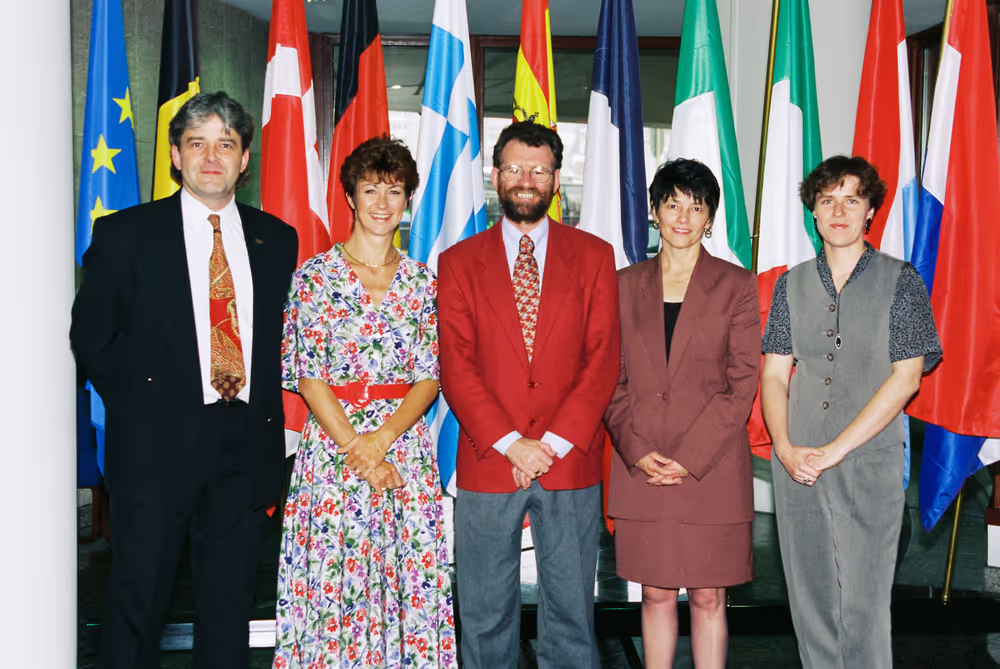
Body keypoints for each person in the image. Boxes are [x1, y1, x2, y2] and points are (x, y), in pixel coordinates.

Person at [70, 91, 298, 668]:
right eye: (197, 143)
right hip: (154, 452)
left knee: (227, 615)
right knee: (136, 609)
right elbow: (92, 337)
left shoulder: (277, 240)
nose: (212, 157)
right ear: (176, 155)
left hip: (245, 450)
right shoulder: (125, 233)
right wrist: (147, 411)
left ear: (245, 159)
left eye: (226, 144)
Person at [437, 121, 620, 669]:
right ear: (495, 175)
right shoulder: (458, 262)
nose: (526, 180)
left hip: (570, 464)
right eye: (514, 168)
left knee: (570, 618)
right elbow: (456, 366)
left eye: (539, 170)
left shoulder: (594, 256)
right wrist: (514, 444)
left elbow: (603, 359)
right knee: (485, 616)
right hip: (490, 460)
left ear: (557, 180)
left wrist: (551, 445)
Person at [272, 136, 456, 669]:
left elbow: (430, 377)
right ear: (350, 196)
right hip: (334, 456)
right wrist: (358, 446)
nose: (381, 202)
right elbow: (308, 377)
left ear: (407, 200)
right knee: (337, 586)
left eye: (394, 190)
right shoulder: (314, 277)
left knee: (408, 584)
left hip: (403, 451)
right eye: (370, 189)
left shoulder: (424, 283)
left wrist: (382, 441)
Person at [761, 155, 942, 668]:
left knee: (863, 609)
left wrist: (835, 450)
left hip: (870, 462)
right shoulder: (788, 284)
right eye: (827, 200)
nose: (838, 211)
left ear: (870, 212)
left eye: (851, 199)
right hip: (796, 461)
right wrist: (785, 448)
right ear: (813, 214)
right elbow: (774, 374)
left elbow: (907, 378)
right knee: (811, 602)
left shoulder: (901, 280)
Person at [603, 159, 760, 669]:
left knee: (710, 597)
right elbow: (609, 377)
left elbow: (742, 384)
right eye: (673, 205)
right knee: (655, 594)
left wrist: (687, 458)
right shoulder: (623, 284)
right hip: (641, 465)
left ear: (711, 216)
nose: (684, 218)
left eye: (696, 207)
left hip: (709, 468)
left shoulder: (737, 286)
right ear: (654, 211)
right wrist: (639, 449)